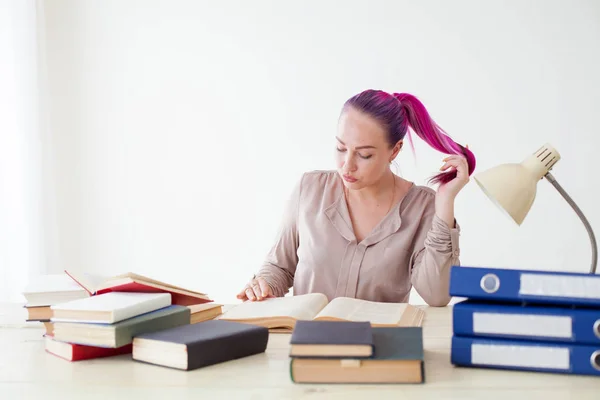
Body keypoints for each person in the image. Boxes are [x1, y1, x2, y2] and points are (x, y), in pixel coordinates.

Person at [236, 90, 476, 307]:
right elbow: (279, 267)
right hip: (306, 344)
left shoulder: (422, 207)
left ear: (395, 150)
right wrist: (263, 285)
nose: (347, 166)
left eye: (364, 155)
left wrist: (445, 204)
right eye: (341, 149)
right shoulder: (310, 190)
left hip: (378, 348)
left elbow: (438, 295)